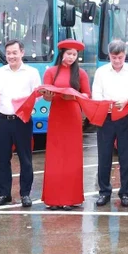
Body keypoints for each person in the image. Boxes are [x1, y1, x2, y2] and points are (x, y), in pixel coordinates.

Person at [0, 39, 41, 208]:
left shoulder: (32, 72)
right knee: (3, 158)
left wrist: (25, 104)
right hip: (3, 120)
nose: (11, 56)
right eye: (8, 53)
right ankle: (4, 194)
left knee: (25, 158)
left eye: (15, 52)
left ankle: (25, 194)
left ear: (22, 52)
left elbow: (38, 95)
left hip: (22, 120)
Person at [41, 39, 91, 210]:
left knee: (71, 155)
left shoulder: (81, 73)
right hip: (57, 115)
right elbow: (46, 96)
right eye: (68, 53)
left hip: (73, 115)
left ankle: (71, 197)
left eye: (74, 55)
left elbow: (87, 94)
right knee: (55, 155)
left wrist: (74, 96)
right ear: (61, 53)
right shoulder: (51, 72)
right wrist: (47, 95)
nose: (71, 57)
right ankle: (53, 198)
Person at [92, 39, 128, 208]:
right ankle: (104, 192)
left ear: (124, 55)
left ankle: (125, 193)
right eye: (114, 57)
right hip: (106, 117)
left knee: (126, 155)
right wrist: (107, 104)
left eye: (120, 57)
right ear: (109, 56)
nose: (117, 61)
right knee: (104, 155)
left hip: (125, 116)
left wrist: (126, 99)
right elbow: (96, 93)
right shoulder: (101, 72)